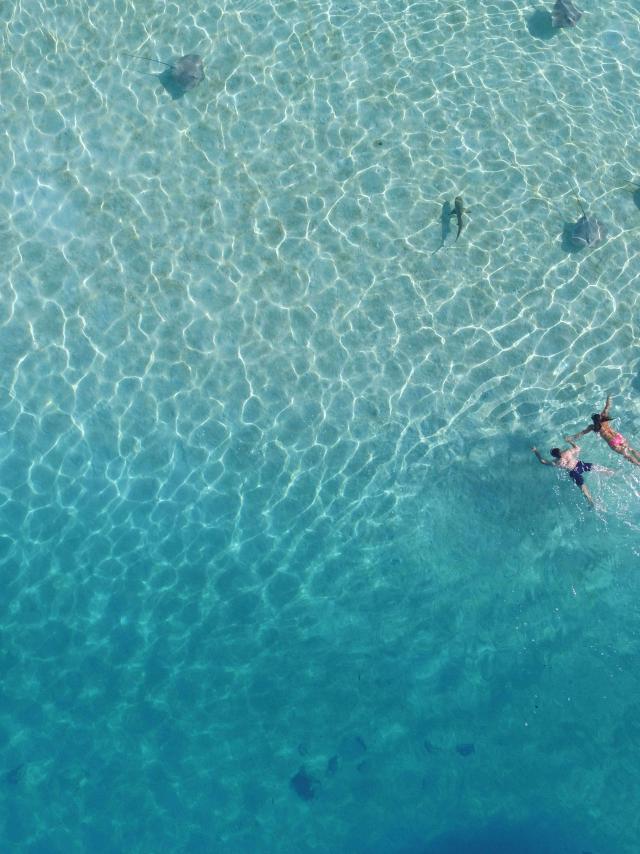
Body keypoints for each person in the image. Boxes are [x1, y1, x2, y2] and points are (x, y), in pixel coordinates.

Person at [531, 440, 613, 507]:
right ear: (559, 450)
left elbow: (542, 461)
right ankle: (610, 472)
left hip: (573, 472)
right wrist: (570, 441)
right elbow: (578, 448)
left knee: (583, 488)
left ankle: (591, 502)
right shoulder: (567, 452)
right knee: (596, 467)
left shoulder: (555, 462)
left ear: (554, 456)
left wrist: (536, 451)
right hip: (580, 465)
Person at [567, 395, 640, 467]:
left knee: (626, 455)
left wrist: (571, 438)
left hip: (612, 442)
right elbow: (607, 406)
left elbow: (581, 433)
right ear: (600, 417)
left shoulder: (593, 427)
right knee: (631, 449)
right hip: (618, 436)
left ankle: (638, 464)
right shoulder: (604, 418)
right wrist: (609, 396)